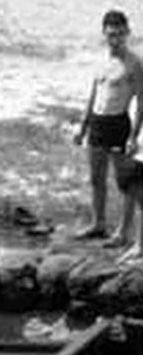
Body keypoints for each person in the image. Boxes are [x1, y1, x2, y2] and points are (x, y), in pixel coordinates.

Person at [73, 10, 143, 245]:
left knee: (126, 182)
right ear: (104, 34)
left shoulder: (134, 64)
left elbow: (142, 102)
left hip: (118, 123)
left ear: (128, 34)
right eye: (111, 34)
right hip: (97, 123)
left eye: (120, 35)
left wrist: (135, 136)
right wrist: (82, 126)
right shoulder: (100, 60)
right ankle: (98, 223)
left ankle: (123, 232)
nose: (116, 39)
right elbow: (94, 95)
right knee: (96, 178)